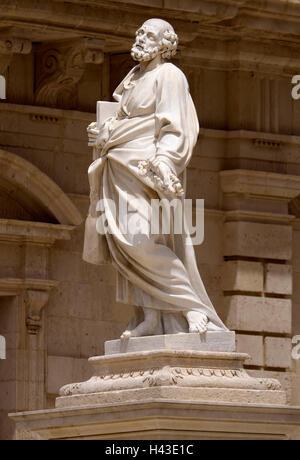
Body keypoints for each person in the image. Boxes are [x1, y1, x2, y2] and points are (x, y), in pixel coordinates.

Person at [86, 18, 228, 338]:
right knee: (123, 244)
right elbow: (123, 121)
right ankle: (150, 315)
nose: (140, 38)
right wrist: (103, 132)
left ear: (165, 43)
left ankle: (190, 304)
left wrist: (165, 160)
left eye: (148, 34)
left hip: (146, 171)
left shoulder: (169, 75)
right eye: (139, 32)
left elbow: (177, 125)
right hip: (117, 169)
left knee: (140, 238)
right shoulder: (133, 78)